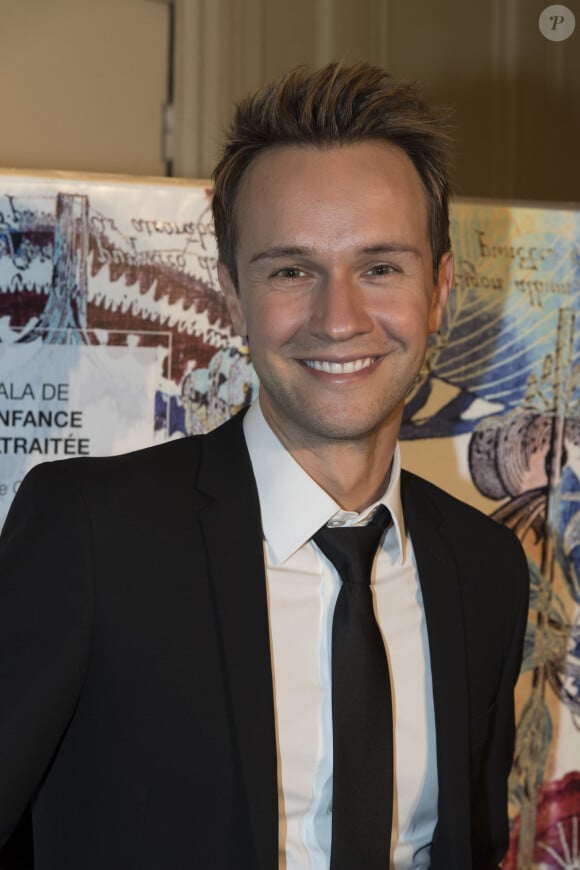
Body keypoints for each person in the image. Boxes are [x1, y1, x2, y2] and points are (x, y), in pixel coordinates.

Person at [0, 63, 529, 869]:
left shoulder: (484, 569)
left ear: (440, 291)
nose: (339, 318)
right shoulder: (90, 535)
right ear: (233, 297)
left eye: (380, 267)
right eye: (290, 270)